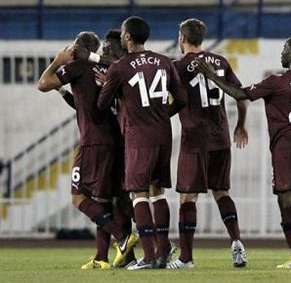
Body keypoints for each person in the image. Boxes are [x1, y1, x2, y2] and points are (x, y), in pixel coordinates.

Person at [197, 35, 291, 269]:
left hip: (286, 144)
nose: (281, 53)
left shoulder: (276, 81)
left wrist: (210, 75)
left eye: (283, 49)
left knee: (285, 198)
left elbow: (240, 93)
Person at [37, 32, 138, 269]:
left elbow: (43, 83)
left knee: (78, 197)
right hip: (116, 141)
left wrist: (57, 62)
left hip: (93, 142)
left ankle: (123, 239)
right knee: (106, 200)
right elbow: (84, 104)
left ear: (76, 49)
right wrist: (62, 92)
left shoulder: (78, 66)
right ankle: (104, 257)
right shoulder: (107, 72)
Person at [98, 16, 187, 270]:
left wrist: (110, 87)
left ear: (127, 36)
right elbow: (180, 99)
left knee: (138, 194)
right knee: (157, 192)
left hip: (138, 137)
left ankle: (148, 257)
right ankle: (161, 253)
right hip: (163, 134)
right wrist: (160, 114)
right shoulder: (164, 61)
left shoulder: (120, 67)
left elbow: (102, 105)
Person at [166, 19, 248, 269]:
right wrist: (240, 125)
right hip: (221, 136)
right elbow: (241, 96)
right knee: (222, 192)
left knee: (188, 197)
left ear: (182, 38)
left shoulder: (177, 66)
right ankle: (237, 243)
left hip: (195, 137)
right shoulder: (220, 61)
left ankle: (186, 258)